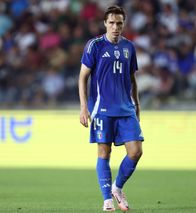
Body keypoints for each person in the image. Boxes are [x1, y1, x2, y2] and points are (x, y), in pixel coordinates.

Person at [78, 5, 144, 212]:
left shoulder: (129, 47)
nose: (116, 27)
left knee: (136, 152)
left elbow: (132, 79)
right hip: (102, 109)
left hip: (126, 109)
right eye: (112, 23)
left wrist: (137, 104)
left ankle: (117, 187)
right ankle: (107, 200)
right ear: (105, 23)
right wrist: (83, 107)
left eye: (119, 23)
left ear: (124, 24)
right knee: (103, 153)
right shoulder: (94, 46)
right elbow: (82, 78)